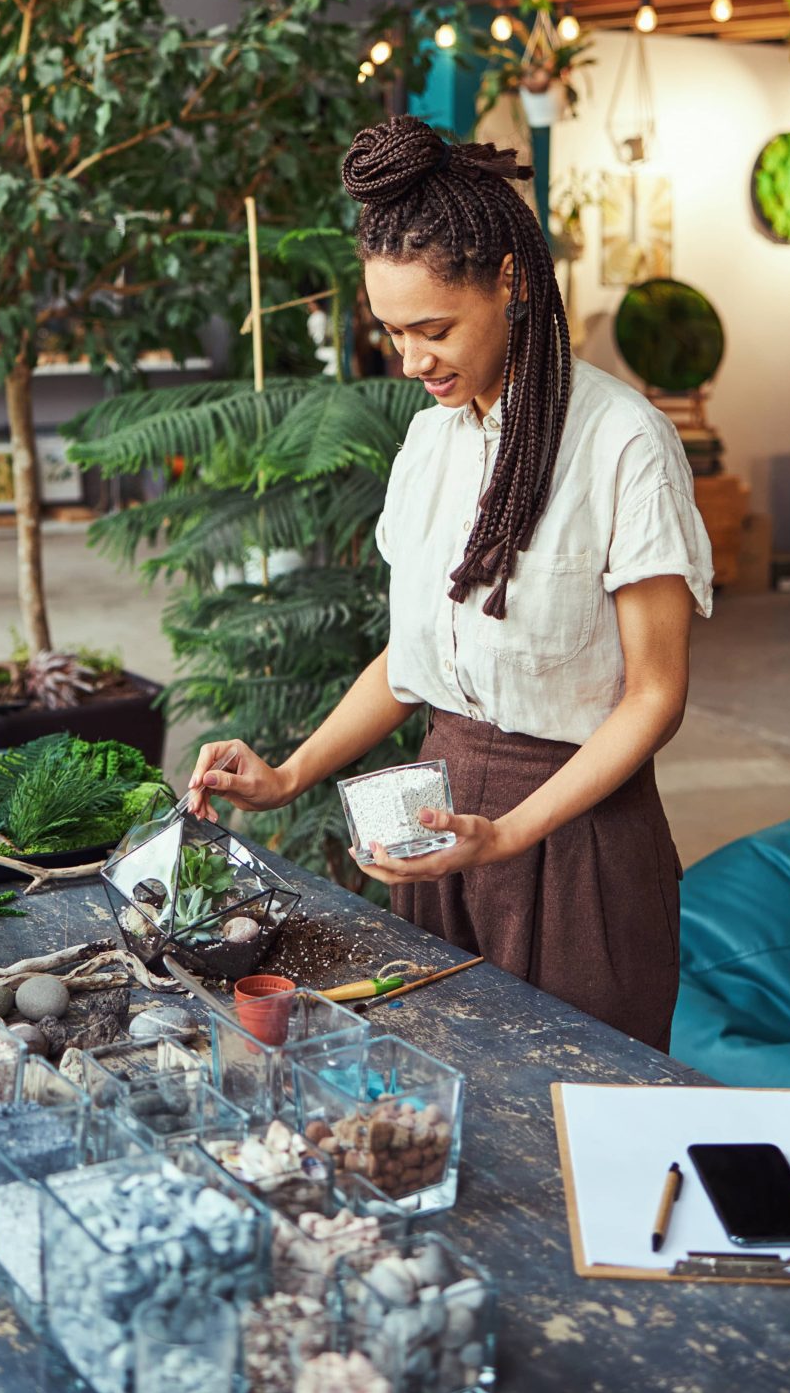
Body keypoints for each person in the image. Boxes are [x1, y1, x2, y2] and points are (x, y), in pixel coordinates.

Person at [189, 114, 713, 1046]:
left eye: (433, 329)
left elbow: (655, 696)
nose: (411, 361)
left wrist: (511, 833)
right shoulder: (429, 439)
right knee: (446, 1103)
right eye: (392, 333)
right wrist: (291, 774)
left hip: (578, 845)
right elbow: (412, 661)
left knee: (573, 1115)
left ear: (509, 283)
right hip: (442, 834)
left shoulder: (622, 442)